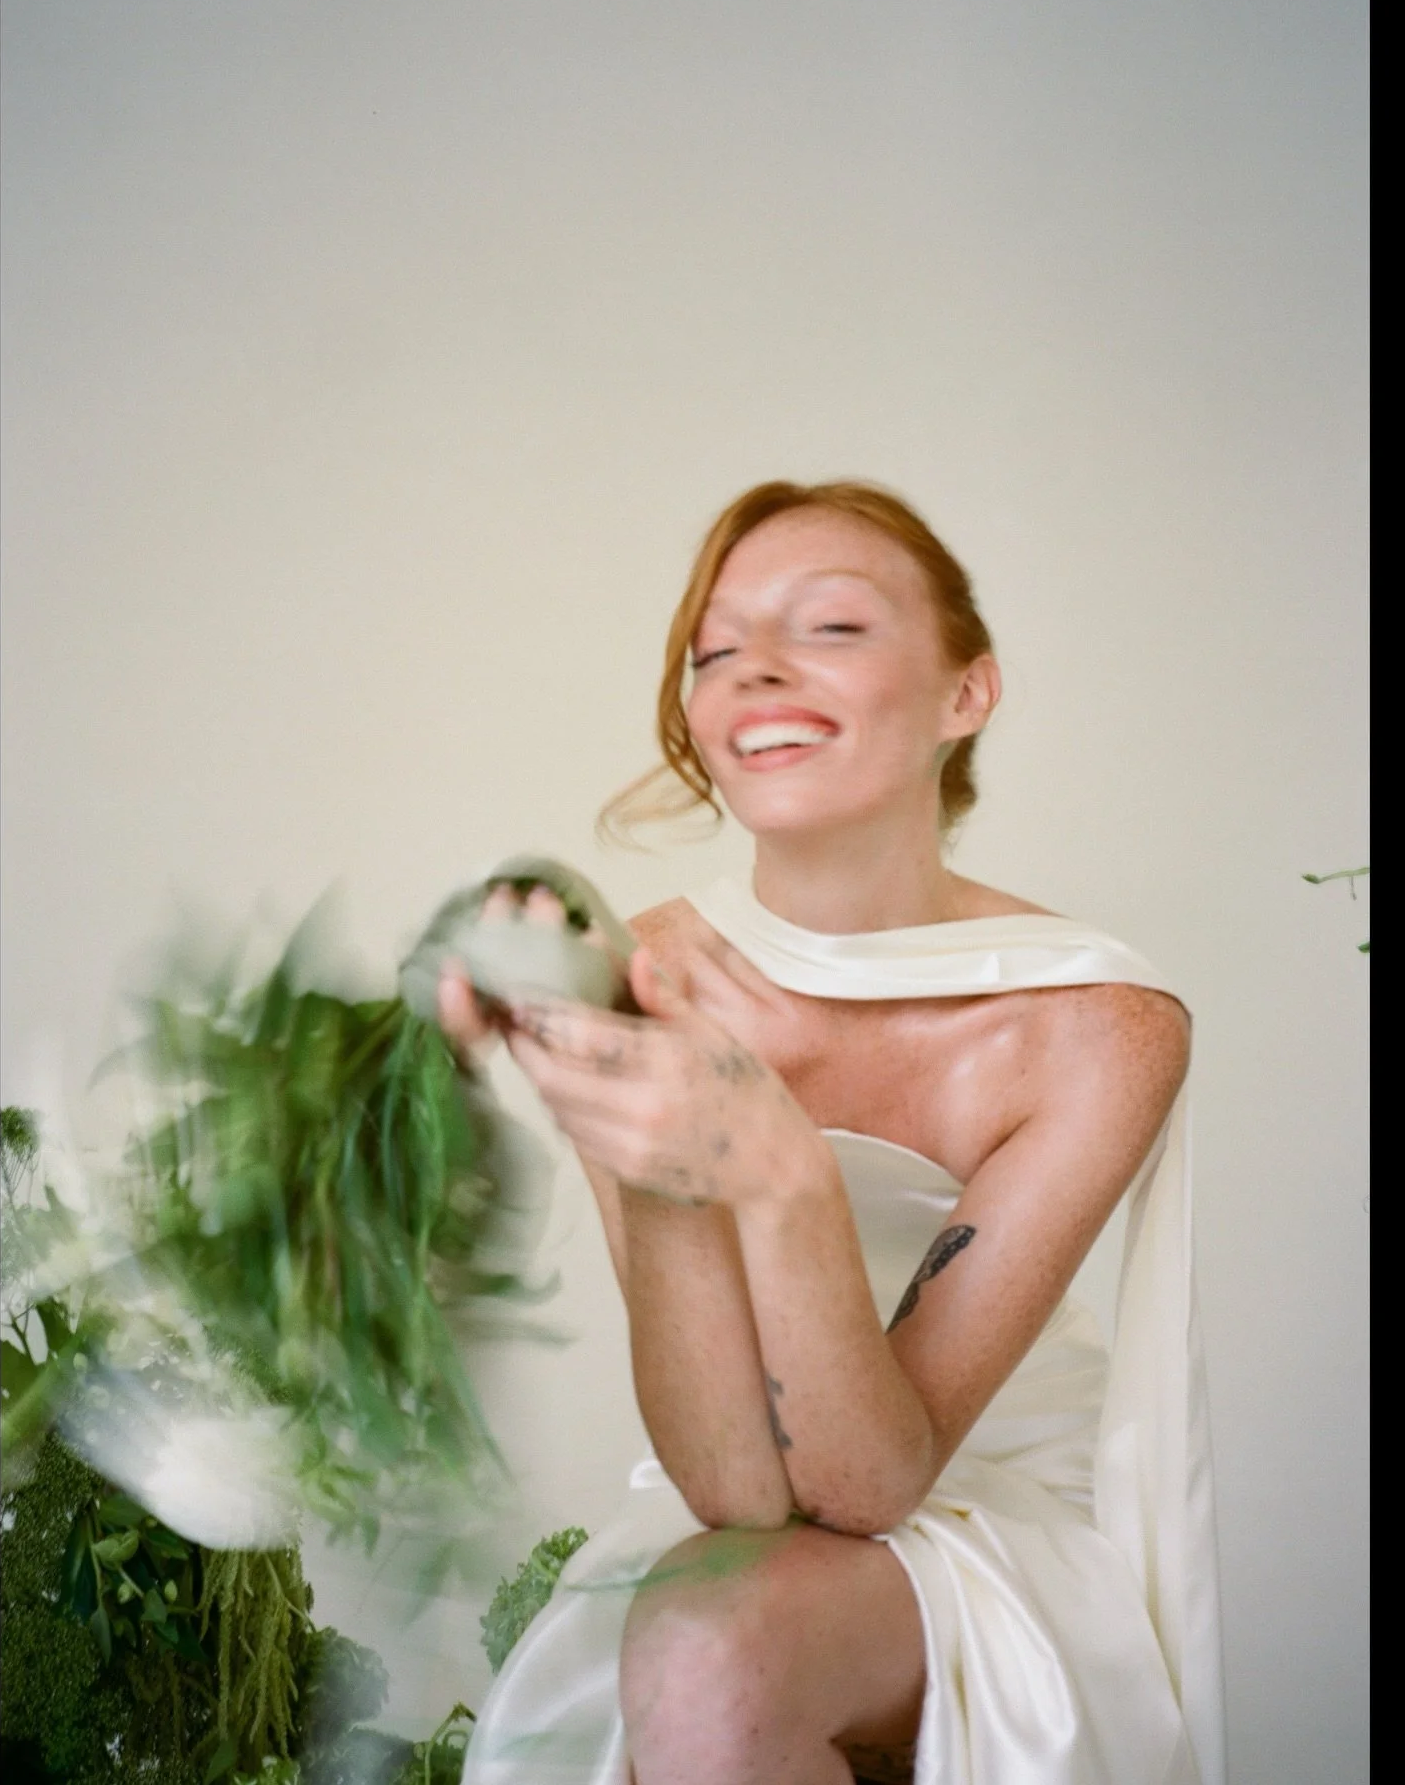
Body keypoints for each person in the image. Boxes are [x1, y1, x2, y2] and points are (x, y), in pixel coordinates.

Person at [439, 481, 1224, 1785]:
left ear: (967, 693)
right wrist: (662, 1152)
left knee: (709, 1649)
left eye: (834, 626)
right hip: (735, 1529)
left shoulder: (1098, 1021)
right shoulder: (638, 971)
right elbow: (730, 1487)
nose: (755, 668)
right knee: (699, 1636)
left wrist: (776, 1168)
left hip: (983, 1513)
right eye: (715, 650)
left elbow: (873, 1484)